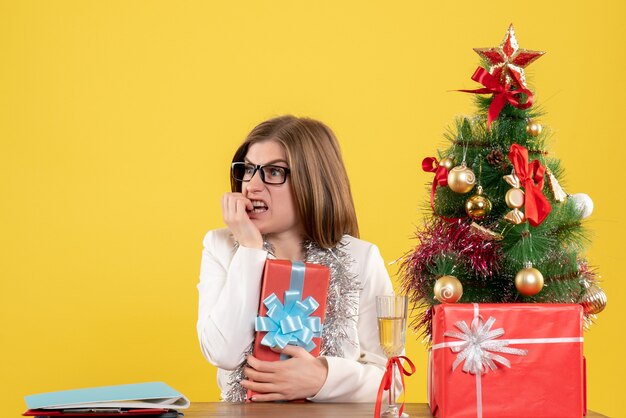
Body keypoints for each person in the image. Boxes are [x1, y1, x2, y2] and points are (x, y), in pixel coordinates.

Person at [196, 115, 395, 403]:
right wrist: (249, 249)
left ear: (313, 181)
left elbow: (392, 381)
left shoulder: (360, 258)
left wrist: (323, 378)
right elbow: (223, 352)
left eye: (274, 172)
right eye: (249, 169)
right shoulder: (221, 246)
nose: (251, 185)